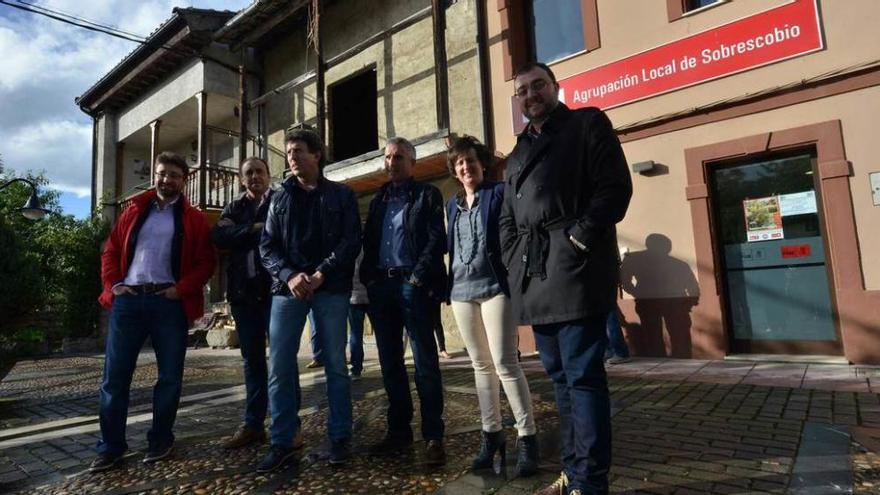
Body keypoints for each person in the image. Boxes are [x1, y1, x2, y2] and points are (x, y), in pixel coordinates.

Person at [499, 63, 632, 495]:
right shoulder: (518, 152)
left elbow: (614, 188)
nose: (531, 94)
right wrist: (514, 257)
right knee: (559, 378)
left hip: (575, 268)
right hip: (535, 273)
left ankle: (590, 483)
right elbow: (505, 217)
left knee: (582, 376)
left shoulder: (586, 124)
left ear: (556, 87)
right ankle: (573, 473)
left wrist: (580, 238)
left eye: (539, 85)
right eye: (523, 90)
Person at [91, 151, 215, 472]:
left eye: (174, 175)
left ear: (184, 181)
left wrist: (181, 289)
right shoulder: (133, 210)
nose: (166, 179)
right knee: (115, 379)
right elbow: (111, 250)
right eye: (162, 173)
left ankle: (160, 440)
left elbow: (206, 263)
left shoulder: (194, 218)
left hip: (168, 303)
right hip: (129, 301)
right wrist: (114, 285)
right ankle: (110, 448)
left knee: (170, 378)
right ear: (155, 176)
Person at [258, 128, 361, 472]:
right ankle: (284, 440)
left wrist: (321, 273)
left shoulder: (342, 195)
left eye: (299, 150)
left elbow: (350, 242)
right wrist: (289, 275)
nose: (291, 157)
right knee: (280, 366)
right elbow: (267, 247)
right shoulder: (278, 198)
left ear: (317, 155)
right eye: (288, 152)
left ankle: (340, 437)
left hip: (329, 288)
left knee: (335, 364)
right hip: (287, 291)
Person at [444, 136, 538, 475]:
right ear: (455, 171)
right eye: (460, 164)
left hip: (496, 287)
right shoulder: (451, 206)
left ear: (481, 164)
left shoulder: (497, 194)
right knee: (480, 366)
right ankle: (492, 433)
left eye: (470, 161)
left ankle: (527, 437)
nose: (466, 167)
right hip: (461, 291)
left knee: (505, 363)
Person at [361, 137, 448, 465]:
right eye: (387, 157)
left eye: (398, 157)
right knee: (390, 364)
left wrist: (416, 277)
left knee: (425, 364)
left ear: (412, 163)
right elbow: (369, 242)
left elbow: (436, 240)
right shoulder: (379, 198)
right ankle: (398, 431)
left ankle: (433, 436)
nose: (392, 162)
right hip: (382, 287)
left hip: (414, 284)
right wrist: (370, 279)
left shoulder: (427, 194)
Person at [213, 157, 305, 450]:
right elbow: (220, 235)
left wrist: (247, 233)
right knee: (252, 363)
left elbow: (286, 236)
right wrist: (255, 229)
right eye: (248, 173)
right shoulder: (234, 207)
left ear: (268, 175)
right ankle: (254, 425)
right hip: (243, 295)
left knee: (283, 362)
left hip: (276, 292)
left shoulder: (281, 200)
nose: (254, 177)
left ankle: (291, 426)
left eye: (259, 172)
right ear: (242, 179)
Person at [348, 252, 368, 379]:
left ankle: (356, 368)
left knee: (356, 333)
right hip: (369, 293)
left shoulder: (351, 247)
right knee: (383, 333)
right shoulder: (369, 245)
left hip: (354, 296)